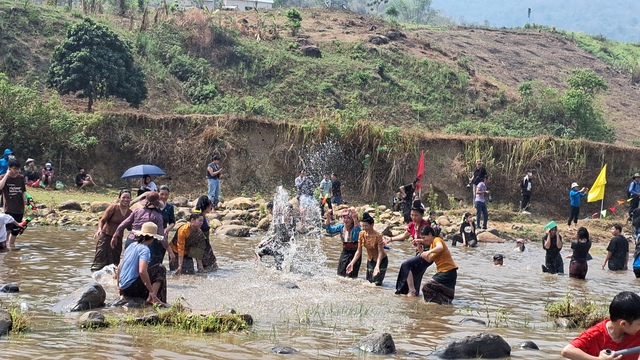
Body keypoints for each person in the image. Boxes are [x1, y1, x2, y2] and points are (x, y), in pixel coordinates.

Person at [561, 291, 640, 360]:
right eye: (639, 324)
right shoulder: (595, 334)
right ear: (623, 324)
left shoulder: (636, 331)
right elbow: (567, 351)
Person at [385, 200, 432, 296]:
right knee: (416, 274)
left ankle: (411, 290)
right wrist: (391, 239)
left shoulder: (425, 226)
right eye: (412, 215)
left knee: (406, 265)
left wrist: (420, 241)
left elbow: (431, 240)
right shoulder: (412, 225)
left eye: (416, 215)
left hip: (428, 253)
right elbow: (404, 236)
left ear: (422, 215)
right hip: (419, 253)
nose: (414, 217)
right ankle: (414, 295)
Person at [113, 191, 174, 267]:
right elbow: (162, 235)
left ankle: (116, 277)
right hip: (144, 243)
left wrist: (115, 235)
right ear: (157, 203)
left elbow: (124, 224)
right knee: (144, 268)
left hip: (131, 241)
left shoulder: (137, 211)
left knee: (126, 264)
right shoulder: (158, 216)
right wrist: (170, 252)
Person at [116, 222, 167, 306]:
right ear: (153, 238)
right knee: (160, 268)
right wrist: (151, 291)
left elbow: (119, 267)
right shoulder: (145, 249)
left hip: (124, 289)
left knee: (150, 269)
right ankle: (152, 297)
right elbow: (142, 271)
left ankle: (151, 296)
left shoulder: (131, 245)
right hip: (132, 289)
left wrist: (119, 287)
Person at [91, 189, 132, 271]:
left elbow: (129, 227)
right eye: (124, 197)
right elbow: (102, 220)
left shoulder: (130, 212)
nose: (125, 200)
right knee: (100, 259)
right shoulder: (113, 208)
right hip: (106, 237)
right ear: (119, 198)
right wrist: (99, 229)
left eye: (128, 198)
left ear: (130, 199)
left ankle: (111, 280)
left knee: (114, 263)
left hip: (118, 239)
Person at [417, 226, 458, 304]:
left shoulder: (437, 240)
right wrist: (419, 248)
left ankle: (429, 304)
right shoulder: (432, 245)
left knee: (426, 286)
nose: (424, 240)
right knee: (444, 298)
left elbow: (440, 247)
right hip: (445, 272)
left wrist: (428, 252)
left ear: (430, 234)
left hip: (448, 271)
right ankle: (438, 308)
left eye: (424, 237)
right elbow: (429, 259)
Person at [346, 212, 388, 286]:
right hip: (370, 260)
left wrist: (377, 266)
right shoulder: (362, 234)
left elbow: (380, 252)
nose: (364, 228)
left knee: (377, 284)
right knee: (369, 283)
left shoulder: (378, 236)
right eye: (363, 226)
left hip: (381, 260)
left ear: (372, 225)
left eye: (366, 226)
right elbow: (358, 251)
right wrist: (352, 263)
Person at [255, 201, 295, 270]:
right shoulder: (279, 219)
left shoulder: (287, 220)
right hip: (275, 246)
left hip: (281, 248)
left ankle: (282, 275)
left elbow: (281, 233)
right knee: (258, 252)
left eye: (289, 212)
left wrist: (267, 241)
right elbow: (275, 233)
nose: (270, 213)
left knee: (279, 268)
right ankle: (260, 269)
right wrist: (265, 241)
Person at [324, 207, 361, 278]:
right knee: (340, 274)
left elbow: (356, 236)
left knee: (352, 276)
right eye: (344, 218)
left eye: (348, 218)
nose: (346, 220)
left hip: (355, 253)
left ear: (352, 220)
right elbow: (329, 230)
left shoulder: (356, 228)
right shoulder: (341, 227)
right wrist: (328, 217)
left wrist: (355, 219)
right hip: (345, 252)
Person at [0, 159, 26, 247]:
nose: (16, 171)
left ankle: (11, 247)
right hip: (9, 208)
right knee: (7, 230)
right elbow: (0, 187)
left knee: (15, 231)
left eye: (18, 169)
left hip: (20, 208)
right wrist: (6, 175)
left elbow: (23, 191)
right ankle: (5, 248)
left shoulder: (21, 178)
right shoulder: (3, 177)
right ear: (9, 168)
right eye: (14, 169)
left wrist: (25, 199)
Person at [194, 195, 218, 270]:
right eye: (210, 205)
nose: (211, 207)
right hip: (201, 246)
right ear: (206, 206)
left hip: (206, 245)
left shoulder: (202, 216)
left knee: (213, 267)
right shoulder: (199, 218)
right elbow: (195, 238)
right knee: (207, 268)